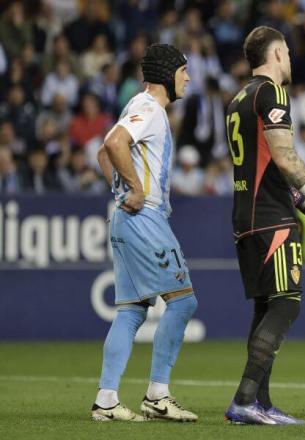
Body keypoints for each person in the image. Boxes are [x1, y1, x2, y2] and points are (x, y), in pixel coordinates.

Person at [224, 26, 305, 425]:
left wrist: (299, 200)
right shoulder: (272, 92)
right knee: (286, 305)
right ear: (278, 53)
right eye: (289, 54)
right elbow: (284, 157)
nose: (292, 61)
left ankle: (259, 404)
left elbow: (260, 162)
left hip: (247, 216)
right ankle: (245, 400)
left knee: (266, 308)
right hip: (271, 220)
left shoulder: (237, 99)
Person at [92, 44, 198, 423]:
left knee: (131, 311)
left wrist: (120, 191)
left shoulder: (138, 105)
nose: (188, 77)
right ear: (168, 73)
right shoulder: (150, 108)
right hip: (144, 217)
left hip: (126, 218)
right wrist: (135, 190)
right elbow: (112, 145)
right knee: (184, 302)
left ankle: (106, 400)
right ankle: (158, 395)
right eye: (184, 70)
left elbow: (105, 155)